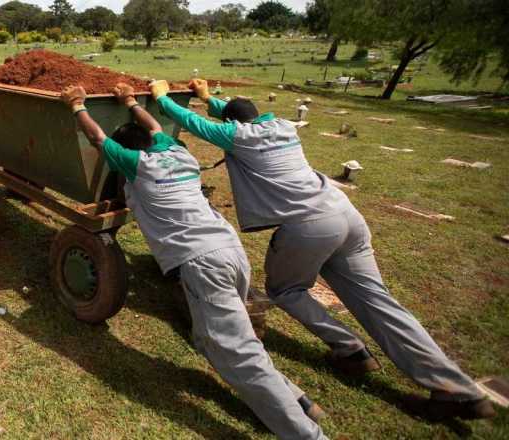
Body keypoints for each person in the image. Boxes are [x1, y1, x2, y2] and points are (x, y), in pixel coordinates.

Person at [151, 78, 496, 421]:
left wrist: (162, 98)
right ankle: (456, 389)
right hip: (345, 214)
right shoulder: (284, 127)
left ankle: (350, 348)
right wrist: (209, 97)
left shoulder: (239, 136)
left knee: (284, 289)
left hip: (310, 225)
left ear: (234, 125)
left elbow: (197, 124)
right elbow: (235, 116)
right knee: (380, 301)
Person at [61, 82, 327, 440]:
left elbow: (96, 139)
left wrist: (77, 105)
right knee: (215, 340)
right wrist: (129, 102)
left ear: (127, 152)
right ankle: (298, 399)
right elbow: (155, 128)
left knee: (236, 352)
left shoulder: (138, 166)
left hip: (204, 263)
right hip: (231, 252)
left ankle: (305, 433)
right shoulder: (179, 154)